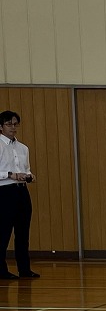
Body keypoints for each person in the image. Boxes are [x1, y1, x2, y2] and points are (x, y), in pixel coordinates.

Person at [0, 110, 37, 279]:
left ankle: (24, 269)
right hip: (4, 192)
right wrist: (9, 175)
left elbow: (26, 169)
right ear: (1, 127)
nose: (13, 127)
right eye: (9, 124)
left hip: (21, 191)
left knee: (23, 232)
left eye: (15, 124)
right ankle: (1, 270)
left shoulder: (23, 148)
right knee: (3, 232)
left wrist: (29, 176)